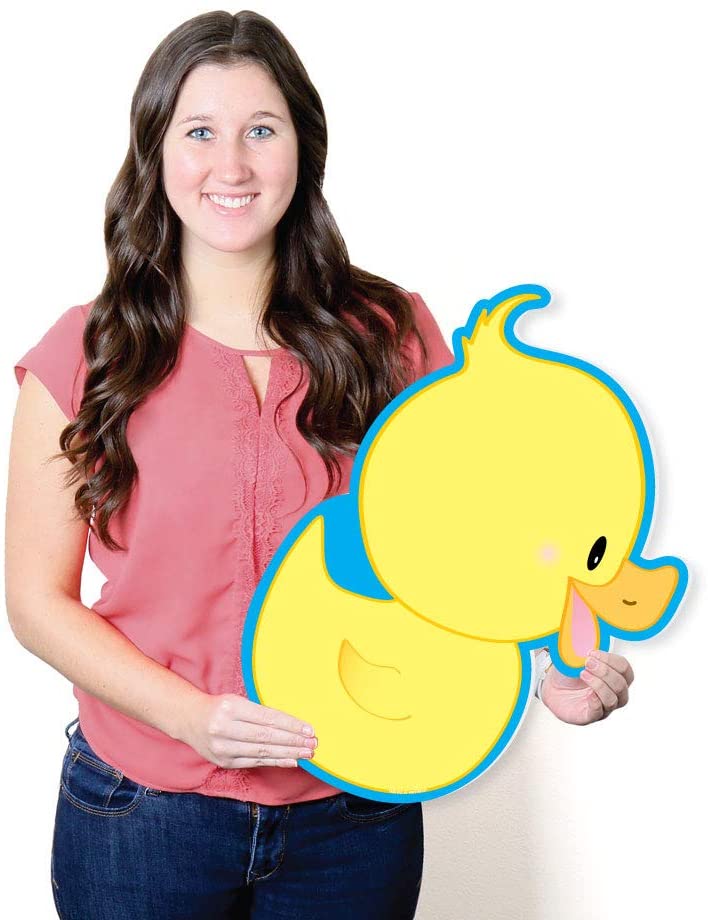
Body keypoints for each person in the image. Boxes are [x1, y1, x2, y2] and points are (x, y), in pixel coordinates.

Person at [5, 10, 635, 919]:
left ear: (304, 147)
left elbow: (477, 540)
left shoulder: (394, 336)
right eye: (199, 132)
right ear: (154, 152)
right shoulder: (86, 355)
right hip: (141, 814)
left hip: (356, 814)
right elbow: (36, 601)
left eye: (262, 130)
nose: (232, 165)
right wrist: (190, 718)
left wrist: (553, 659)